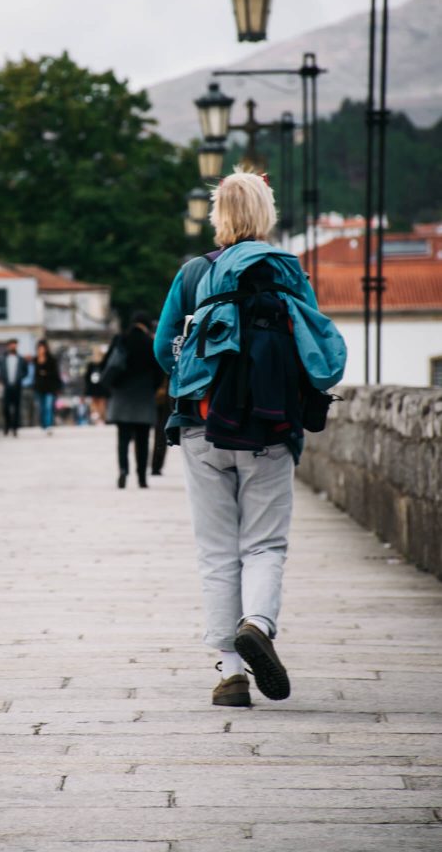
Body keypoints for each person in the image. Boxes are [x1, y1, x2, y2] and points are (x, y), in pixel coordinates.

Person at [154, 169, 346, 708]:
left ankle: (231, 673)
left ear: (218, 216)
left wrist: (200, 375)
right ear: (267, 214)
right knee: (263, 544)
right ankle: (257, 624)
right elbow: (313, 347)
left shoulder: (194, 272)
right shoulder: (287, 271)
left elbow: (164, 347)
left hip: (202, 426)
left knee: (217, 551)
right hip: (269, 427)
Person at [106, 311, 163, 489]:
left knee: (123, 438)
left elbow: (107, 365)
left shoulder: (121, 340)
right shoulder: (150, 343)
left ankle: (123, 470)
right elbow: (159, 371)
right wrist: (152, 388)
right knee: (143, 440)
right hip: (144, 395)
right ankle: (142, 477)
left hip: (122, 395)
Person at [0, 339, 29, 436]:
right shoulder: (3, 359)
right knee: (5, 407)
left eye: (14, 345)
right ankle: (7, 425)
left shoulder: (21, 359)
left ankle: (15, 428)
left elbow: (25, 372)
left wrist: (19, 377)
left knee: (17, 408)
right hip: (7, 386)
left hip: (17, 386)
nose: (13, 347)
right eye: (11, 345)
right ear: (8, 346)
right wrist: (2, 379)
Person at [33, 339, 62, 434]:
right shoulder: (35, 360)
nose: (41, 350)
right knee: (41, 408)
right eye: (39, 348)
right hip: (39, 387)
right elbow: (35, 375)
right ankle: (43, 424)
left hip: (50, 388)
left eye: (43, 348)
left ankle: (49, 426)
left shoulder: (51, 360)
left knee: (48, 407)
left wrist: (45, 373)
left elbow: (55, 374)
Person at [84, 346, 109, 423]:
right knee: (96, 402)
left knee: (100, 402)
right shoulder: (92, 365)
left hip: (100, 387)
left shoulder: (103, 364)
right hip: (96, 387)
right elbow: (87, 377)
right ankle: (98, 417)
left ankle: (100, 417)